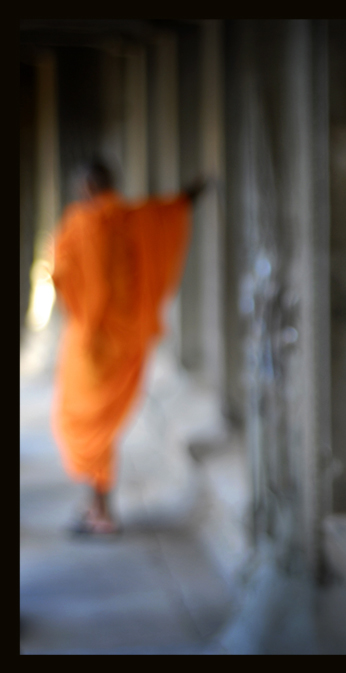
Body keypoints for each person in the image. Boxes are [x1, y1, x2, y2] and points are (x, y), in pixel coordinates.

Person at [51, 160, 207, 535]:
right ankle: (97, 506)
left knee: (81, 422)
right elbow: (171, 212)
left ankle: (99, 511)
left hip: (90, 347)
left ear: (85, 188)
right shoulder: (133, 219)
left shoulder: (77, 225)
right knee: (98, 427)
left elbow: (60, 277)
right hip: (125, 342)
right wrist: (195, 189)